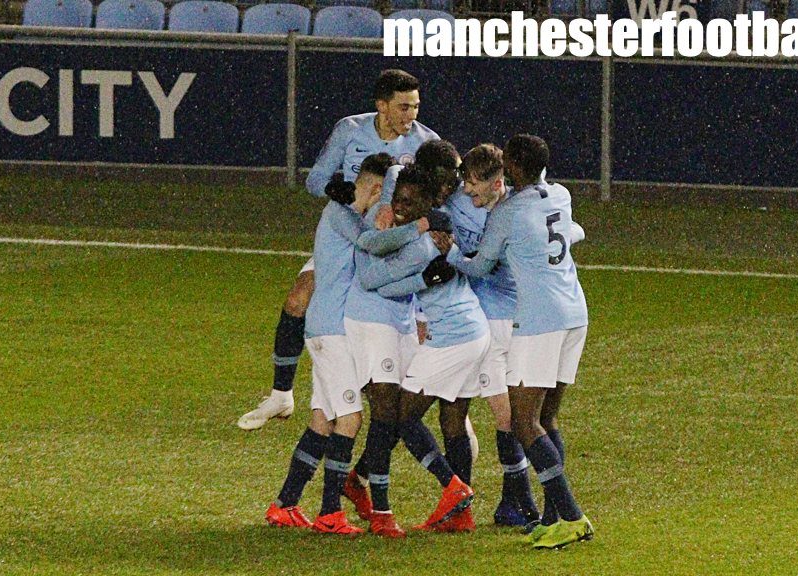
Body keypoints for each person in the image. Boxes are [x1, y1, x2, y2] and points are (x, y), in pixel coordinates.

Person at [238, 69, 439, 431]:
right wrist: (343, 193)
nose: (412, 115)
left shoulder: (426, 144)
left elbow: (436, 196)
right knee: (299, 298)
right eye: (404, 107)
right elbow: (315, 180)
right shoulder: (350, 130)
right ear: (382, 106)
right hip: (348, 235)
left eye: (416, 107)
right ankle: (281, 395)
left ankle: (411, 409)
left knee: (402, 329)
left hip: (391, 246)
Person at [450, 134, 593, 549]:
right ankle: (551, 516)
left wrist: (451, 253)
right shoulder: (561, 195)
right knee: (546, 420)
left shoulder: (507, 213)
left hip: (538, 321)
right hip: (574, 315)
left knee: (522, 422)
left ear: (513, 168)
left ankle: (572, 516)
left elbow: (479, 267)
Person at [264, 153, 396, 534]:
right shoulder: (342, 217)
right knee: (351, 418)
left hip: (329, 329)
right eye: (385, 194)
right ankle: (329, 513)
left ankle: (285, 504)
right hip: (329, 332)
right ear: (374, 189)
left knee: (323, 419)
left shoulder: (345, 214)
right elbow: (375, 245)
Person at [359, 165, 480, 532]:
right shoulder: (445, 227)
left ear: (428, 205)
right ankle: (461, 518)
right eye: (397, 200)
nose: (400, 207)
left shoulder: (421, 243)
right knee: (453, 420)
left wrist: (419, 277)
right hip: (474, 329)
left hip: (452, 337)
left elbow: (373, 280)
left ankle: (454, 489)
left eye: (410, 203)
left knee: (401, 417)